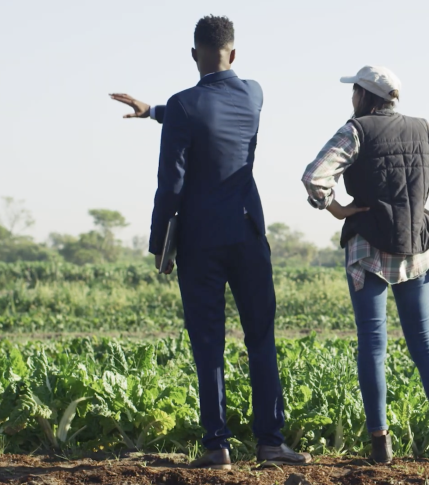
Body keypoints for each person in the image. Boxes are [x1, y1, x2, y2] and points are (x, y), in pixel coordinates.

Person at [110, 15, 311, 470]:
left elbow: (171, 182)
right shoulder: (254, 93)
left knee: (208, 342)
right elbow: (213, 118)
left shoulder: (182, 105)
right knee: (261, 338)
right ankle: (271, 443)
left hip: (200, 240)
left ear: (194, 54)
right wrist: (155, 112)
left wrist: (159, 244)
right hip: (247, 232)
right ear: (233, 54)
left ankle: (217, 445)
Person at [301, 66, 429, 464]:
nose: (352, 98)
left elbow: (315, 177)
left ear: (365, 95)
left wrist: (337, 210)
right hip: (417, 247)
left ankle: (380, 445)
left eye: (354, 91)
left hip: (368, 248)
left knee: (373, 344)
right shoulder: (425, 128)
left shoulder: (357, 130)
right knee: (425, 344)